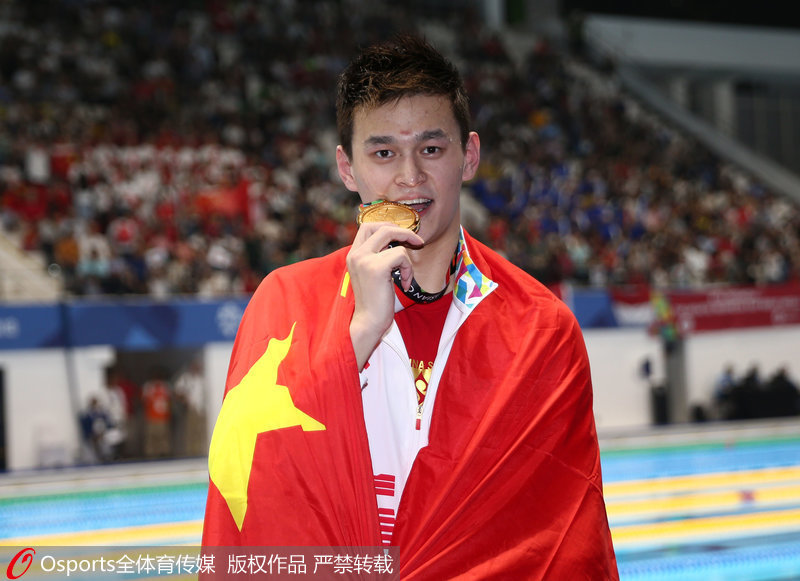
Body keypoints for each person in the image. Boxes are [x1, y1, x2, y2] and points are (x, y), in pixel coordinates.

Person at [203, 33, 618, 579]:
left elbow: (566, 543)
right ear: (346, 168)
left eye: (431, 149)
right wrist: (358, 334)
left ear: (469, 156)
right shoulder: (285, 301)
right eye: (383, 153)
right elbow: (249, 489)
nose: (409, 176)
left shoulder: (542, 327)